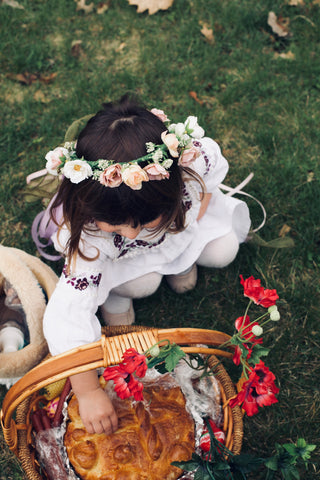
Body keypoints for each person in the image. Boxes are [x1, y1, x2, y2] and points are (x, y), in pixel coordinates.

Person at [42, 94, 251, 436]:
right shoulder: (91, 235)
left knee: (224, 249)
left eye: (143, 221)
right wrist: (88, 390)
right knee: (143, 284)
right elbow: (68, 313)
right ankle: (118, 297)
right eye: (118, 226)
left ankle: (178, 263)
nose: (133, 232)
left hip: (174, 233)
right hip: (121, 261)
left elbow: (211, 176)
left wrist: (191, 216)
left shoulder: (188, 165)